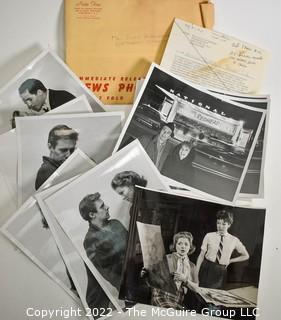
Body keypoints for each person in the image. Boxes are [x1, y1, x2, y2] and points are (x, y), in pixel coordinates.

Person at [79, 192, 128, 290]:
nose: (107, 207)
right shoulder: (90, 241)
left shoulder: (116, 223)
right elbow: (109, 274)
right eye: (102, 206)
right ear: (92, 214)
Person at [142, 231, 199, 309]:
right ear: (175, 246)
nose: (183, 247)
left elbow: (196, 288)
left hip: (178, 299)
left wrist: (185, 280)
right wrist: (145, 272)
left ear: (190, 247)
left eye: (186, 244)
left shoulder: (192, 266)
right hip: (162, 294)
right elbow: (151, 273)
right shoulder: (167, 258)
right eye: (180, 244)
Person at [196, 209, 249, 289]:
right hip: (207, 268)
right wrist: (196, 272)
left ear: (229, 225)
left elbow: (246, 256)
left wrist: (231, 261)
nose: (220, 226)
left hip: (221, 271)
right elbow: (201, 255)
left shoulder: (234, 240)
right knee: (201, 293)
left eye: (224, 224)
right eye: (218, 223)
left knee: (216, 296)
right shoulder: (209, 236)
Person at [35, 124, 78, 191]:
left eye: (72, 150)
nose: (68, 155)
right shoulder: (46, 171)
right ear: (50, 147)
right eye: (63, 150)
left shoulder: (62, 167)